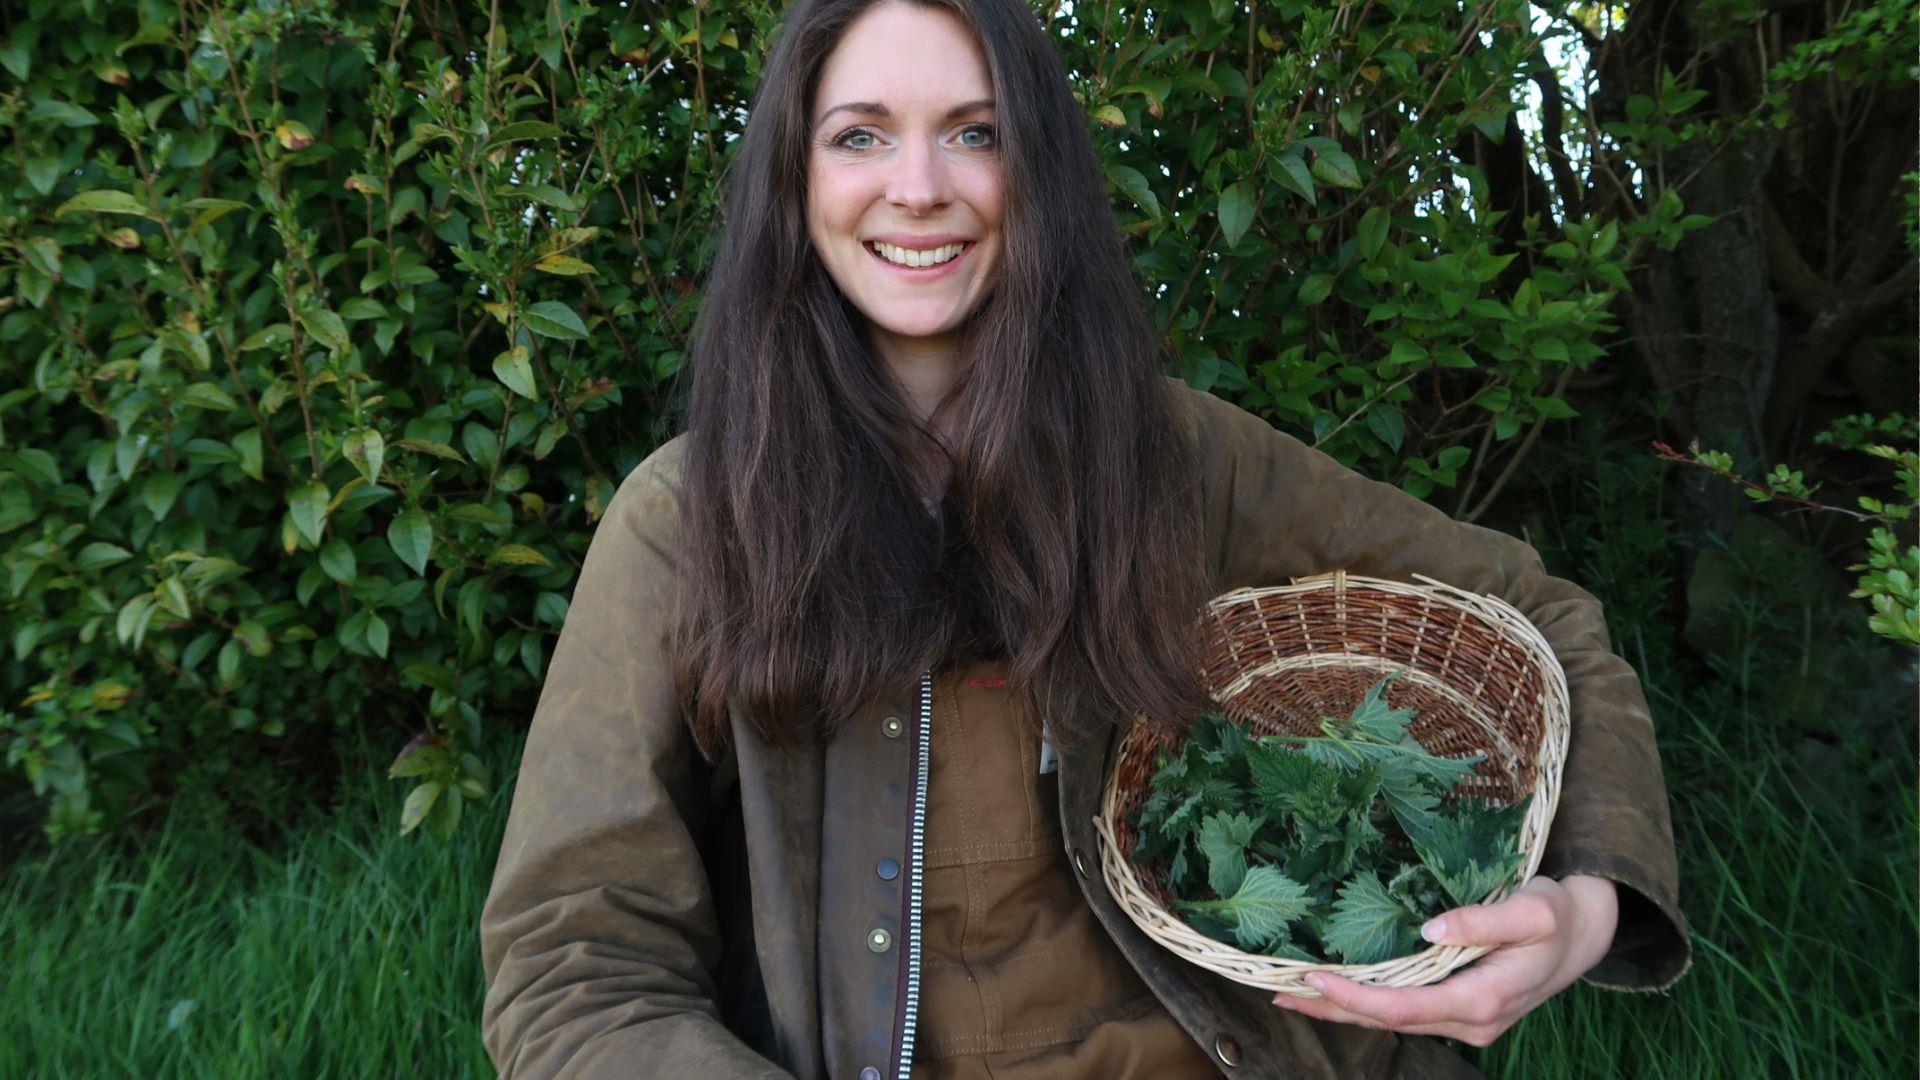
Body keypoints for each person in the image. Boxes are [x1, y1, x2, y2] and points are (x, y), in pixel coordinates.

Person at [477, 0, 1692, 1076]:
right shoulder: (689, 523)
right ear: (793, 182)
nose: (918, 186)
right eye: (859, 135)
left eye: (976, 130)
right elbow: (573, 964)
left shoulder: (1180, 459)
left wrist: (1586, 903)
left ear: (1038, 170)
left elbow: (1542, 620)